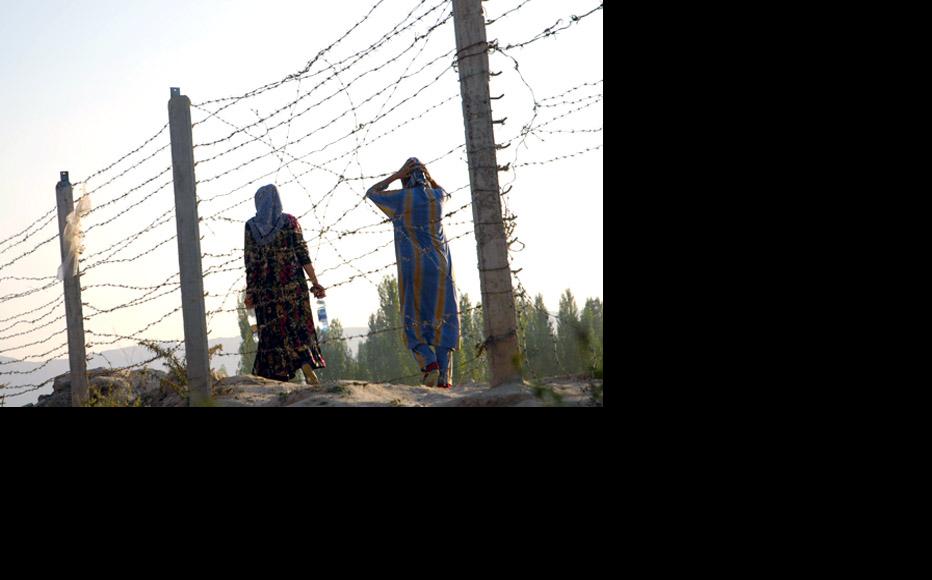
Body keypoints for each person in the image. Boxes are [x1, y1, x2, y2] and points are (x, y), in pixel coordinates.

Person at [366, 158, 460, 389]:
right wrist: (426, 176)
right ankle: (443, 378)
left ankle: (428, 364)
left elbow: (372, 192)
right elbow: (442, 189)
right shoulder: (437, 198)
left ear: (406, 177)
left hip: (414, 267)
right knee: (444, 317)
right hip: (441, 266)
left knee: (414, 316)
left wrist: (396, 176)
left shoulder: (400, 199)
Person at [244, 184, 327, 384]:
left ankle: (279, 386)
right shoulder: (290, 222)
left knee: (274, 335)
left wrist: (251, 293)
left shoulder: (251, 227)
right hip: (293, 289)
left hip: (266, 293)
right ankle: (307, 370)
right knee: (298, 331)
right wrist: (315, 283)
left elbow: (251, 263)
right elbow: (303, 254)